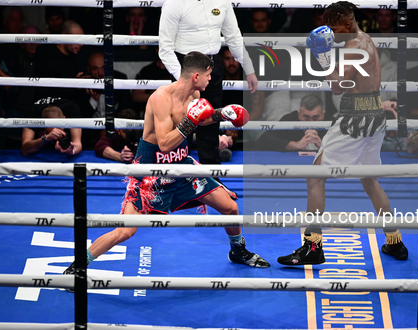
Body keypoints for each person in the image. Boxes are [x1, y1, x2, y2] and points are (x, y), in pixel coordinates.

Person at [63, 51, 269, 279]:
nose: (210, 79)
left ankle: (237, 250)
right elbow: (164, 143)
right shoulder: (160, 98)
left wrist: (223, 114)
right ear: (196, 75)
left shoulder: (195, 94)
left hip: (182, 165)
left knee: (230, 208)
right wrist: (191, 121)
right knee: (125, 231)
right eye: (209, 75)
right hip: (151, 171)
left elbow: (203, 116)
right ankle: (77, 267)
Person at [277, 2, 408, 266]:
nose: (333, 35)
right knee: (369, 179)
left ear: (347, 24)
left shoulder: (354, 48)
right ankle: (394, 240)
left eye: (335, 29)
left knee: (314, 178)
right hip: (373, 118)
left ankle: (312, 246)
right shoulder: (366, 39)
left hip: (354, 122)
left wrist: (322, 56)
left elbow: (338, 87)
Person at [158, 0, 257, 169]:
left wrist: (248, 68)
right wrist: (183, 77)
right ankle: (176, 171)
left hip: (212, 64)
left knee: (210, 119)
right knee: (179, 119)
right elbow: (165, 48)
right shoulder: (175, 1)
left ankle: (210, 172)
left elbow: (234, 37)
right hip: (185, 65)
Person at [257, 94, 329, 152]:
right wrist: (295, 145)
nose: (311, 122)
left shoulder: (331, 122)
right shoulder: (290, 120)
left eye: (315, 117)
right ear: (299, 114)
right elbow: (263, 140)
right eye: (306, 117)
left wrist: (324, 145)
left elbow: (340, 145)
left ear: (323, 115)